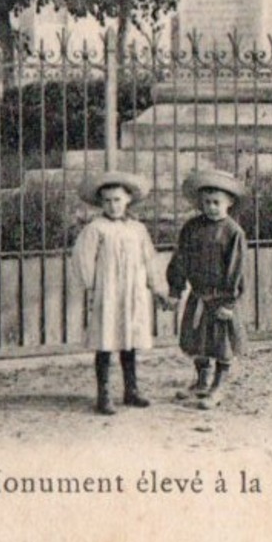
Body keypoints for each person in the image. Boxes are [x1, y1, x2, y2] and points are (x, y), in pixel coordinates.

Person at [71, 171, 167, 415]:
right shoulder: (96, 228)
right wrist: (94, 287)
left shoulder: (137, 229)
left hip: (132, 291)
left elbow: (149, 259)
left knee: (129, 340)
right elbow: (83, 259)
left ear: (128, 201)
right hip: (109, 292)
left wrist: (157, 287)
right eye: (107, 201)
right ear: (101, 203)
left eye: (117, 200)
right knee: (105, 341)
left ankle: (131, 390)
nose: (113, 206)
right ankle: (103, 394)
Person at [165, 169, 248, 410]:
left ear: (229, 202)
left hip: (220, 299)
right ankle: (201, 381)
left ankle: (218, 386)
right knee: (198, 341)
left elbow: (237, 269)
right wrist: (175, 288)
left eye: (217, 203)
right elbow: (180, 258)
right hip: (199, 295)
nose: (212, 207)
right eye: (207, 203)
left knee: (221, 344)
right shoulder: (192, 228)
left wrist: (229, 303)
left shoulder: (233, 232)